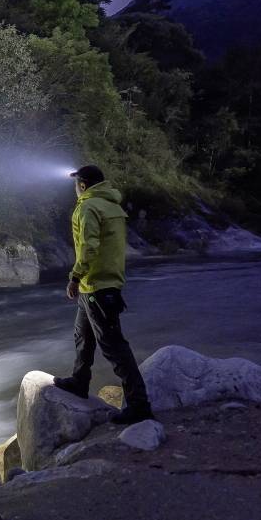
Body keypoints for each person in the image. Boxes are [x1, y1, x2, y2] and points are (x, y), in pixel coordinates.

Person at [53, 164, 154, 425]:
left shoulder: (88, 207)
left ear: (83, 186)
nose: (75, 188)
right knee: (83, 335)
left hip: (96, 284)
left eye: (76, 184)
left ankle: (139, 404)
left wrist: (74, 277)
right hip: (103, 284)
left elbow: (89, 248)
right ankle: (79, 381)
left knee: (113, 346)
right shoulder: (112, 206)